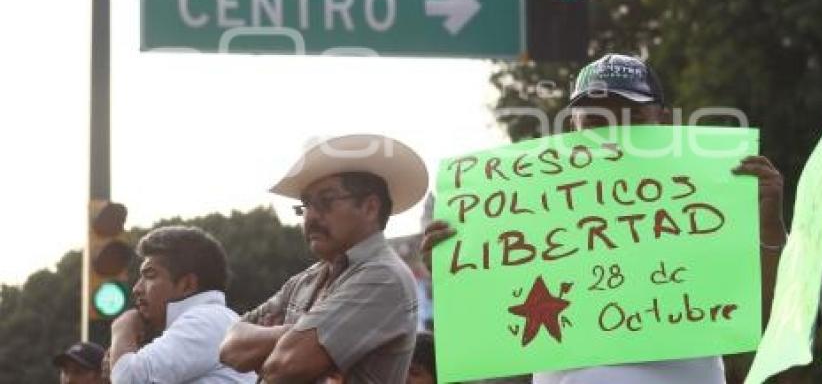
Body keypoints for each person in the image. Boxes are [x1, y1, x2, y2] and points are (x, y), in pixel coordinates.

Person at [421, 53, 787, 384]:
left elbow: (767, 316)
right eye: (596, 120)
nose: (613, 132)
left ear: (664, 119)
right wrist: (453, 274)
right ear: (573, 127)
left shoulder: (707, 200)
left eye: (631, 117)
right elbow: (493, 329)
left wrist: (770, 225)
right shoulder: (529, 212)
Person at [220, 134, 427, 383]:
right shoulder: (305, 279)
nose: (310, 217)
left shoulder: (384, 276)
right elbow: (229, 346)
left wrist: (277, 340)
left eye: (326, 201)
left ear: (370, 208)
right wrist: (295, 333)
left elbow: (284, 365)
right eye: (305, 205)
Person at [107, 225, 255, 383]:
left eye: (150, 275)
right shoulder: (214, 319)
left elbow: (128, 378)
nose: (137, 289)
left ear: (187, 285)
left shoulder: (205, 319)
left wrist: (122, 328)